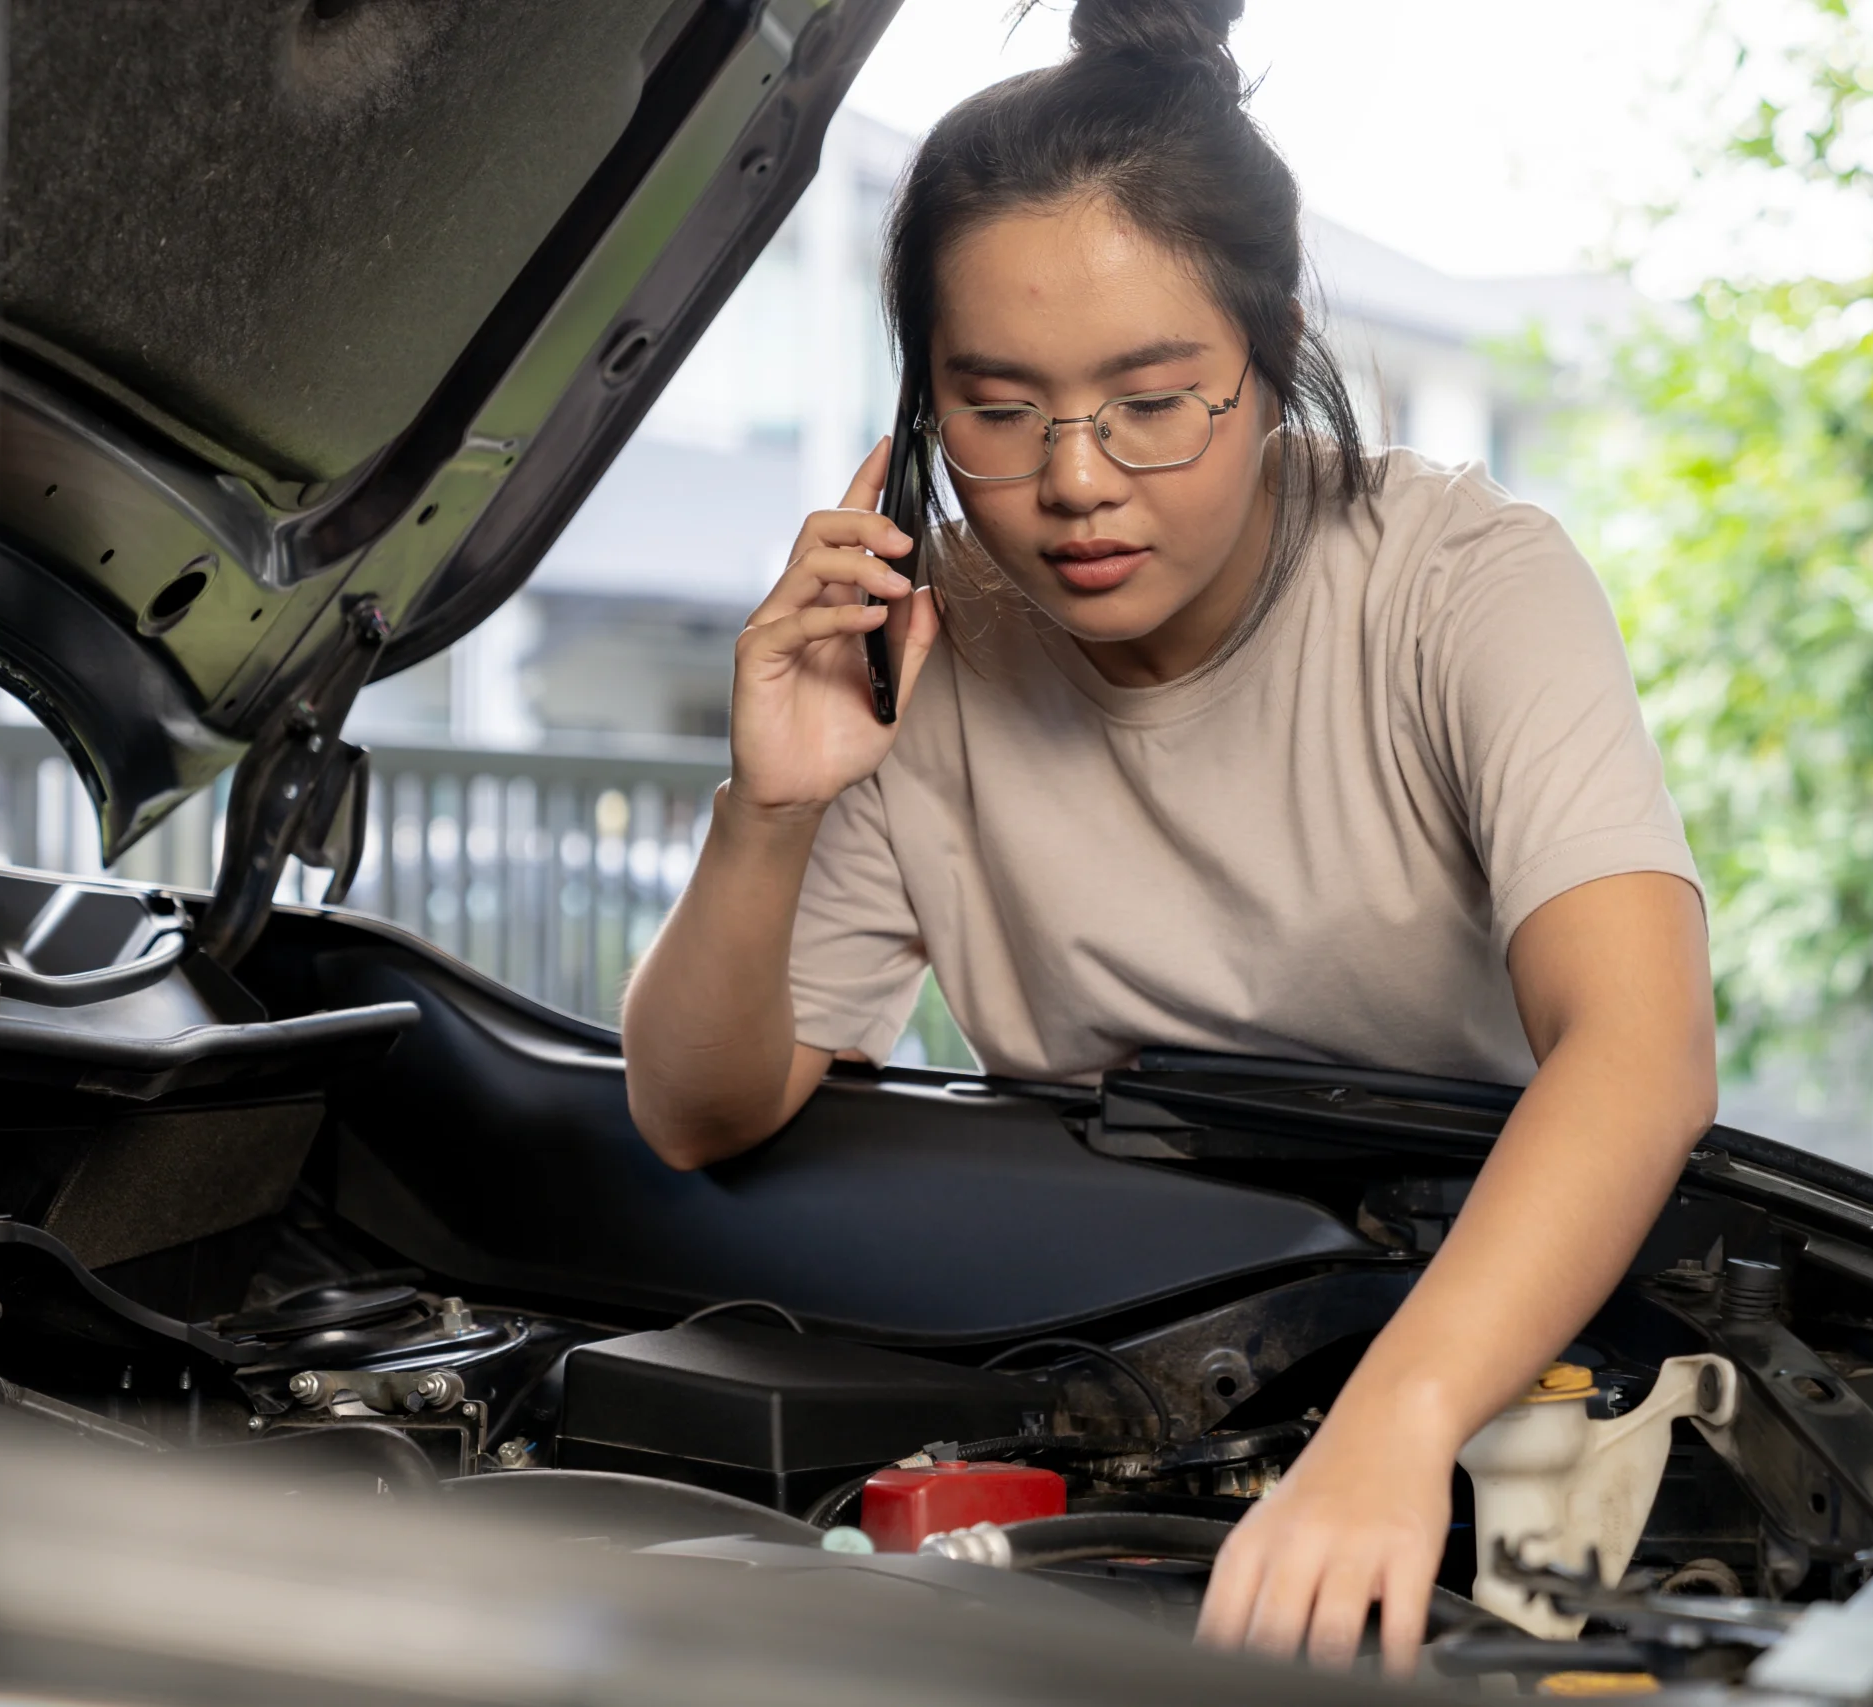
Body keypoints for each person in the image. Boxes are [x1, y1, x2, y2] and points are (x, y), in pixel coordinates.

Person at [621, 0, 1716, 1673]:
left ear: (1271, 352)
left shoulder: (1457, 584)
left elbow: (1637, 1048)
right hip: (1123, 1349)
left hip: (1487, 1337)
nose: (1074, 481)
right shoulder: (934, 645)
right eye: (992, 408)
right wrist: (771, 804)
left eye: (1152, 400)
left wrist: (1396, 1425)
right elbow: (699, 1109)